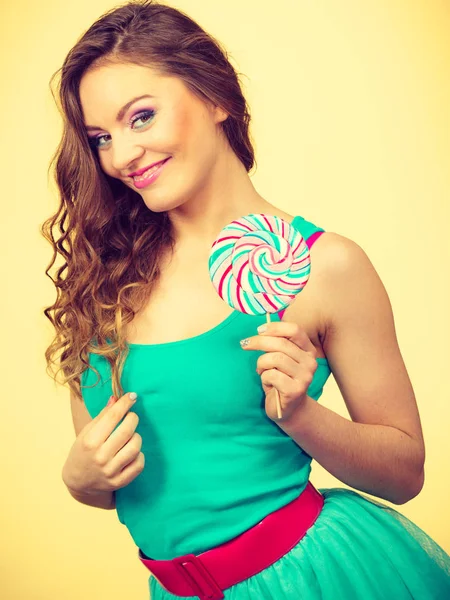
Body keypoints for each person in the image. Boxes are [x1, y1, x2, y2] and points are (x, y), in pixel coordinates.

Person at [42, 1, 450, 598]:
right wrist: (80, 479)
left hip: (305, 577)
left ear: (216, 98)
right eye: (101, 137)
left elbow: (404, 472)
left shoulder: (324, 265)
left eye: (142, 117)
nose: (122, 156)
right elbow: (117, 480)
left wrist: (303, 416)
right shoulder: (102, 279)